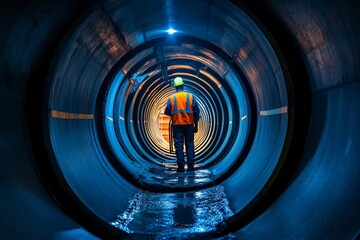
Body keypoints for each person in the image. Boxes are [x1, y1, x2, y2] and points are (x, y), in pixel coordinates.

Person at [164, 77, 200, 172]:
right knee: (189, 144)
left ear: (175, 87)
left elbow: (167, 111)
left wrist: (174, 114)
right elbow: (196, 111)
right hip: (189, 124)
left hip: (177, 124)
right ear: (183, 86)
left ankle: (180, 166)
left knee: (179, 145)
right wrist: (196, 124)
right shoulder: (191, 96)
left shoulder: (171, 98)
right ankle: (190, 165)